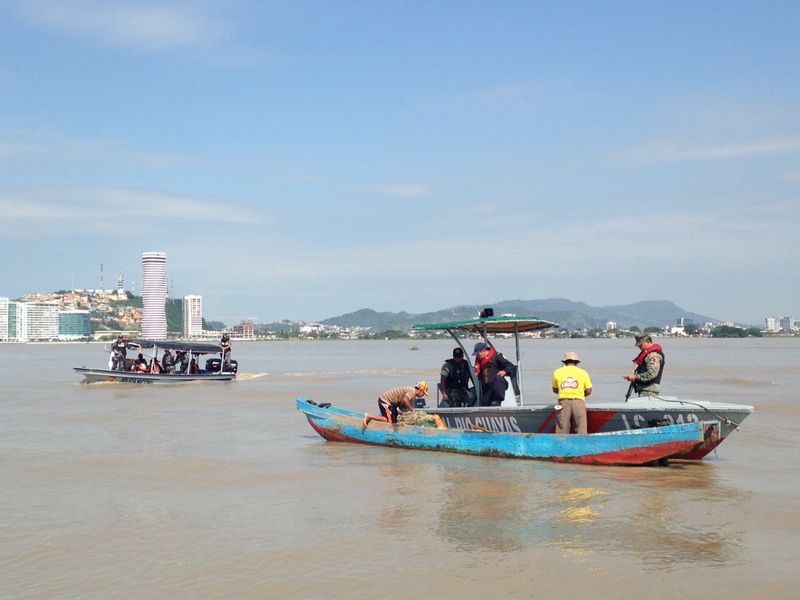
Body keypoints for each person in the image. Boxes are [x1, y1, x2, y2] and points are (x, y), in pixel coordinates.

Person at [551, 351, 593, 434]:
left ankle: (561, 442)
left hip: (563, 402)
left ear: (564, 362)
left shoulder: (557, 372)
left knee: (562, 430)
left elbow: (555, 389)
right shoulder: (583, 372)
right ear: (577, 362)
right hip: (578, 402)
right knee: (581, 430)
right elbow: (589, 390)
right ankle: (580, 442)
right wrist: (580, 394)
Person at [363, 381, 429, 427]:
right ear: (420, 390)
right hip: (385, 400)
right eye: (423, 393)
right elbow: (405, 399)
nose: (423, 395)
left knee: (394, 420)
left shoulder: (412, 395)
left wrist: (406, 408)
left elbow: (401, 406)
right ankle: (369, 416)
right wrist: (411, 410)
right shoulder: (412, 391)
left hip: (392, 404)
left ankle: (391, 431)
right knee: (388, 420)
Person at [472, 342, 516, 406]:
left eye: (478, 354)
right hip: (486, 388)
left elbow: (510, 366)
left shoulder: (496, 356)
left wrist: (504, 371)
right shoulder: (479, 362)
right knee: (485, 403)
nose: (477, 356)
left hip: (496, 385)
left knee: (497, 382)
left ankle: (497, 401)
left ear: (483, 351)